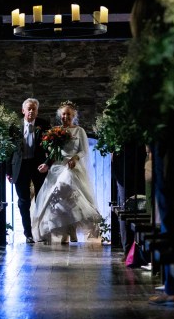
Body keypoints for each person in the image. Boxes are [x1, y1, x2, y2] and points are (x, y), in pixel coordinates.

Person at [31, 100, 102, 244]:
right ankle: (65, 232)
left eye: (68, 114)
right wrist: (46, 164)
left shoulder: (79, 130)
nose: (65, 117)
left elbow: (84, 150)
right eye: (63, 114)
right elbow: (53, 152)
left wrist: (75, 158)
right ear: (60, 115)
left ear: (73, 115)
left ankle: (73, 230)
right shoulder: (55, 131)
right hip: (58, 166)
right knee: (57, 199)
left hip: (72, 166)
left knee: (70, 195)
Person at [6, 97, 50, 243]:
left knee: (41, 199)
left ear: (37, 112)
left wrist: (47, 164)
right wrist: (8, 171)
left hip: (38, 165)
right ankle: (28, 233)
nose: (31, 111)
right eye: (28, 108)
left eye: (34, 109)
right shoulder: (14, 127)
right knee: (23, 201)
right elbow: (8, 150)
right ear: (23, 110)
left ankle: (41, 231)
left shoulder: (43, 125)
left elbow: (52, 147)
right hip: (20, 166)